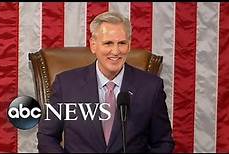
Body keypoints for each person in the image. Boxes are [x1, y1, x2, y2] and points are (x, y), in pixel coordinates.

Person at [37, 11, 175, 153]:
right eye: (108, 43)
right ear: (93, 45)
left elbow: (163, 143)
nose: (115, 51)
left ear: (129, 45)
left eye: (122, 43)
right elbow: (47, 137)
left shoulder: (151, 87)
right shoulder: (66, 85)